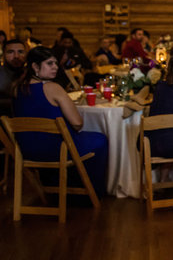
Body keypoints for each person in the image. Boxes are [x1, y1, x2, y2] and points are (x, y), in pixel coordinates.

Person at [12, 46, 109, 197]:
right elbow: (77, 123)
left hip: (27, 149)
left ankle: (54, 187)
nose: (55, 67)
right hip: (57, 149)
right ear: (35, 66)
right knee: (100, 139)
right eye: (49, 63)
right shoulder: (52, 88)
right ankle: (91, 192)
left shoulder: (17, 87)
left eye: (56, 63)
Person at [0, 39, 26, 117]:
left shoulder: (32, 74)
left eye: (20, 52)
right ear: (3, 55)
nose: (16, 56)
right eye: (10, 52)